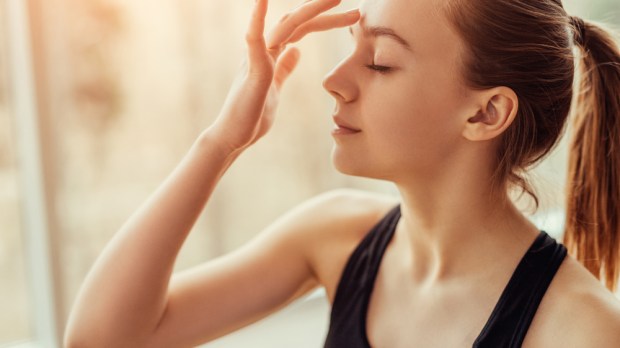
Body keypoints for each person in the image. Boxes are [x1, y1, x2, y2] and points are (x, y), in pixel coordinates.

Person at [64, 0, 620, 346]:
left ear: (485, 112)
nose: (333, 78)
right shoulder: (336, 236)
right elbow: (101, 339)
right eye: (350, 48)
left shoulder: (581, 330)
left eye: (378, 62)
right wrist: (223, 141)